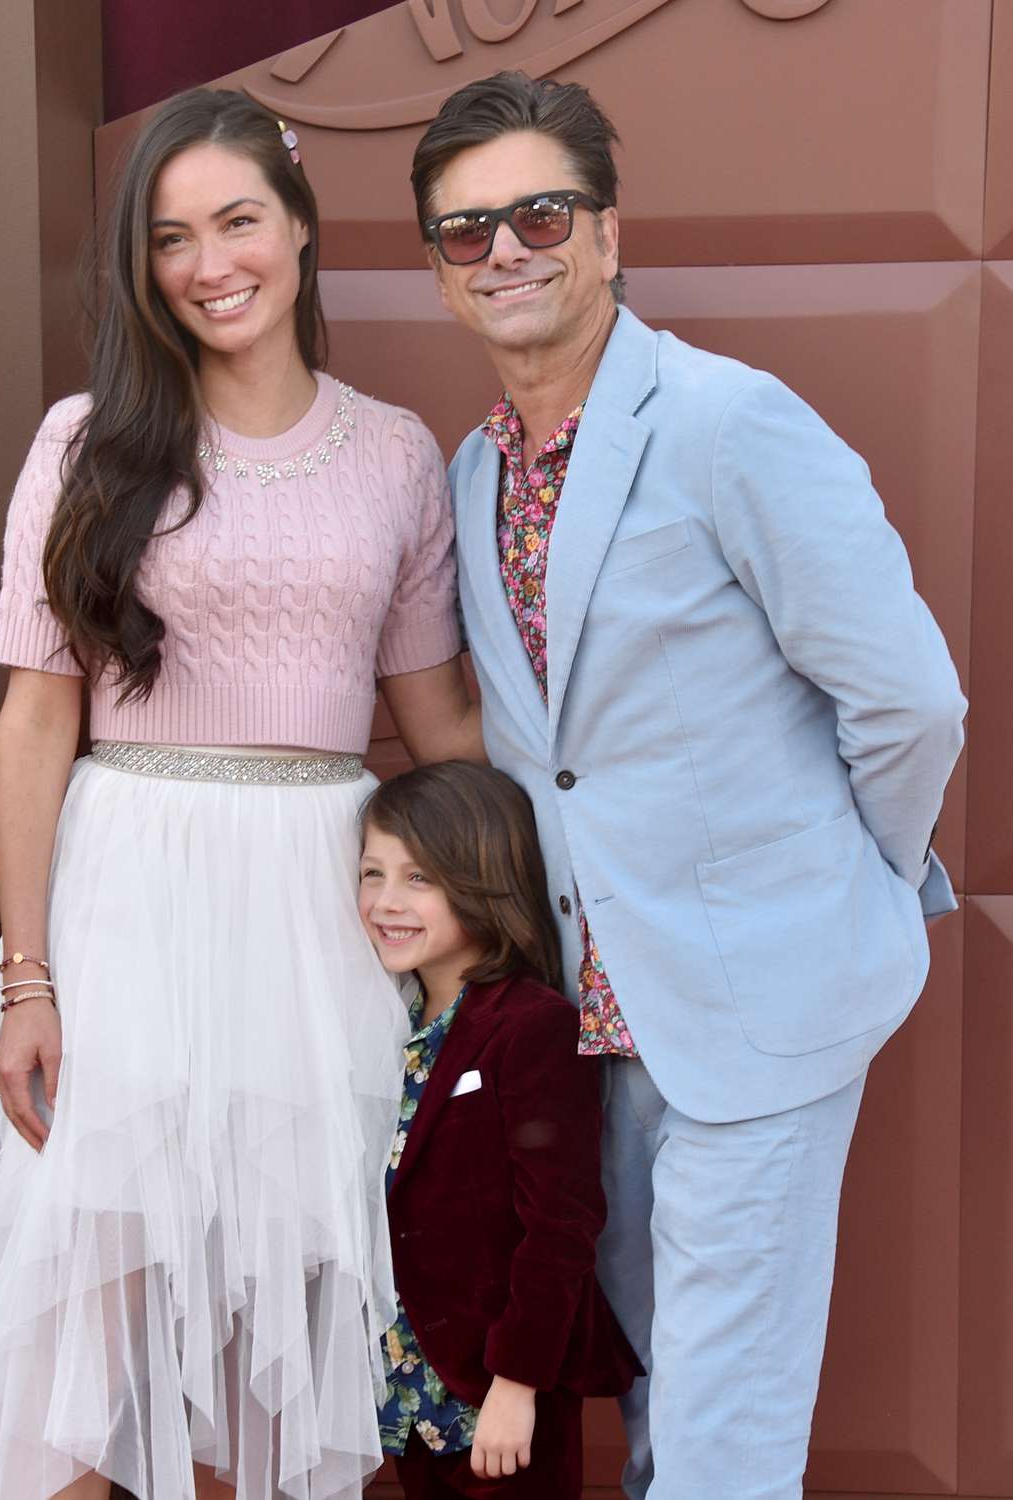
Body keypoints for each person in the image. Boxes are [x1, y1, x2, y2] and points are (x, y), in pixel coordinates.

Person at [408, 72, 967, 1500]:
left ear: (607, 233)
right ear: (438, 269)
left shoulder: (730, 423)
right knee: (657, 1384)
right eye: (466, 232)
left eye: (540, 213)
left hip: (759, 1002)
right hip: (592, 1014)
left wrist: (853, 881)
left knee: (719, 1434)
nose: (506, 251)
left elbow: (907, 700)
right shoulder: (476, 473)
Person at [0, 87, 480, 1500]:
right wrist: (29, 981)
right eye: (173, 237)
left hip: (322, 919)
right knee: (85, 1326)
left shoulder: (395, 455)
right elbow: (32, 725)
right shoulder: (86, 442)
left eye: (239, 221)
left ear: (301, 231)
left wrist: (506, 946)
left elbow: (439, 730)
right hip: (128, 896)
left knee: (278, 1344)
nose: (210, 264)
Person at [357, 762, 641, 1499]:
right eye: (372, 873)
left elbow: (562, 1222)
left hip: (502, 1376)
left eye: (419, 878)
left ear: (482, 881)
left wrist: (517, 1384)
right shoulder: (380, 1022)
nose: (386, 902)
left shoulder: (532, 1026)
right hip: (408, 1374)